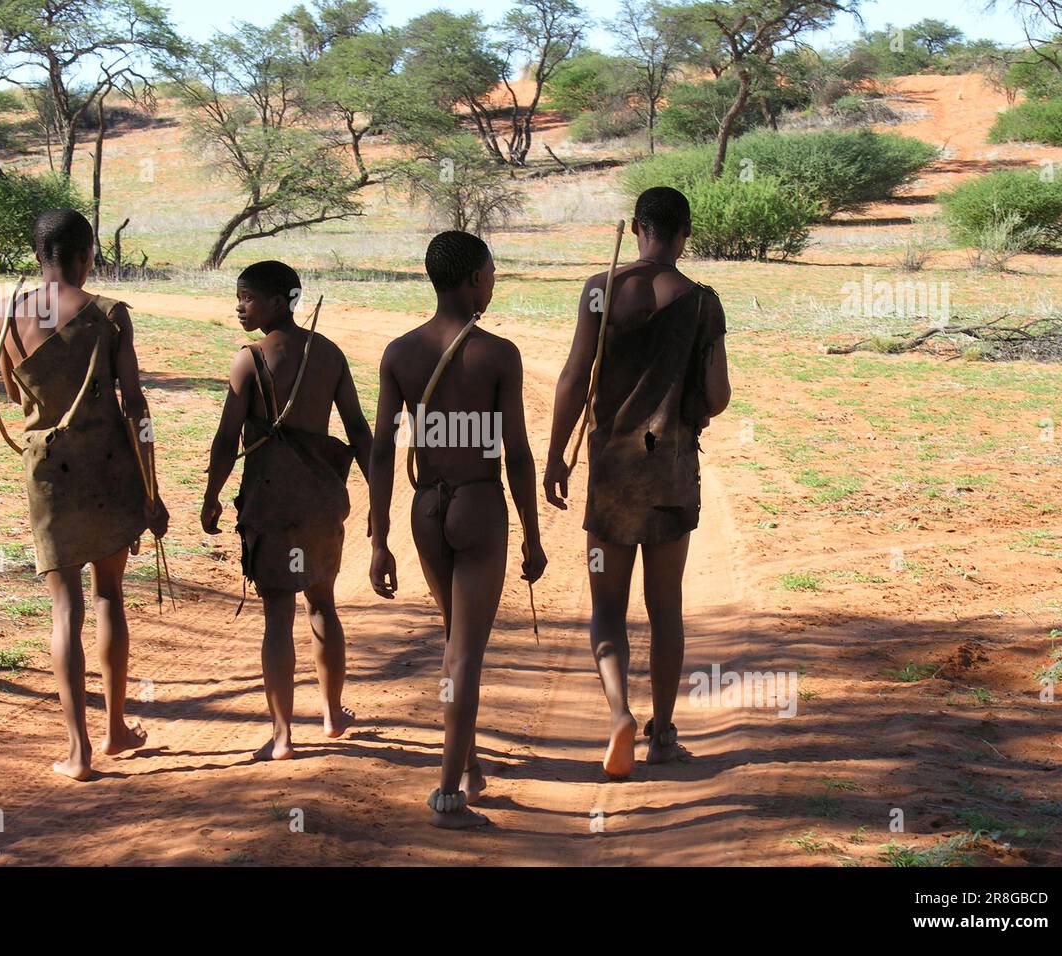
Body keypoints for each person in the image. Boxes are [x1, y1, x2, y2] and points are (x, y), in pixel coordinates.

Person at [543, 187, 731, 778]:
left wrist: (556, 456)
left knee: (607, 608)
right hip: (671, 472)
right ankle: (664, 734)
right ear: (685, 235)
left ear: (636, 227)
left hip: (611, 476)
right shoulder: (703, 303)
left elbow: (575, 376)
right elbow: (720, 395)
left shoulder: (601, 288)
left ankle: (620, 712)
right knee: (666, 606)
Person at [368, 230, 547, 828]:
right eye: (492, 273)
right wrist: (533, 532)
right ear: (473, 280)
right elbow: (516, 453)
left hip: (426, 509)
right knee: (465, 654)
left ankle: (467, 765)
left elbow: (381, 451)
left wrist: (378, 537)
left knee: (453, 642)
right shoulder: (499, 355)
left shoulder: (399, 352)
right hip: (479, 506)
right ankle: (447, 793)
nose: (493, 282)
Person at [0, 208, 169, 781]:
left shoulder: (9, 316)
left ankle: (78, 751)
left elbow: (11, 393)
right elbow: (136, 406)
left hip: (47, 471)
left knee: (64, 606)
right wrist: (152, 485)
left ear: (40, 252)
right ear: (85, 254)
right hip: (111, 468)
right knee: (109, 596)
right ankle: (117, 727)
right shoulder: (110, 317)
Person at [202, 260, 373, 761]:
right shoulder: (329, 354)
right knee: (323, 604)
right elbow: (359, 430)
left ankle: (281, 736)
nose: (239, 306)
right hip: (319, 502)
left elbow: (226, 437)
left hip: (270, 503)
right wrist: (377, 497)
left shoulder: (249, 360)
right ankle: (332, 713)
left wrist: (212, 494)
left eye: (248, 297)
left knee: (277, 614)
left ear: (281, 301)